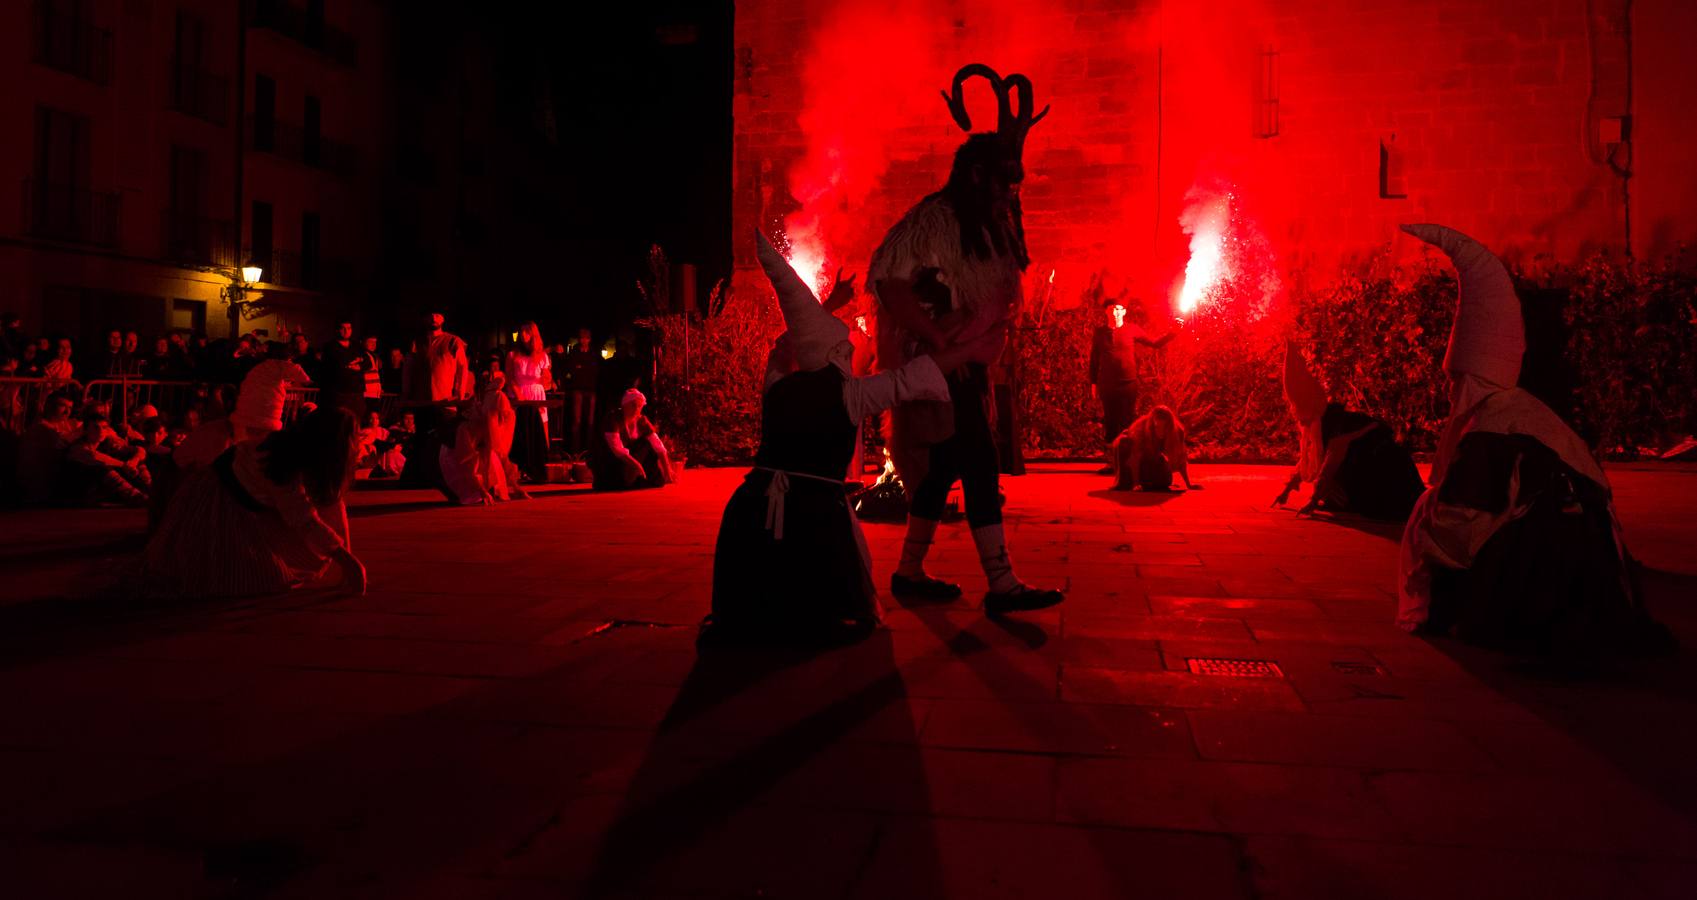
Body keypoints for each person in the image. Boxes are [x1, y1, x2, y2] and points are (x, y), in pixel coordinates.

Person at [703, 232, 1009, 645]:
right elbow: (912, 377)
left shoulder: (775, 384)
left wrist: (828, 306)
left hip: (752, 510)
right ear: (834, 357)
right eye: (843, 348)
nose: (850, 351)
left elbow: (787, 343)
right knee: (825, 611)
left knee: (757, 605)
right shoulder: (850, 394)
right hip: (813, 517)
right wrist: (971, 350)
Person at [1396, 224, 1671, 658]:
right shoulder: (1533, 414)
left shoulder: (1490, 429)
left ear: (1471, 378)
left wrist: (1423, 524)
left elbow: (1461, 529)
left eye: (1456, 380)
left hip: (1541, 579)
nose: (1451, 391)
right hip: (1593, 573)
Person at [867, 63, 1061, 614]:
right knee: (976, 462)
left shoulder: (985, 222)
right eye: (1004, 183)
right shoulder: (933, 221)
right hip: (941, 368)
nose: (1010, 194)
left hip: (967, 367)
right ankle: (1001, 584)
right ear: (978, 176)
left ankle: (908, 571)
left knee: (946, 467)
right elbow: (888, 280)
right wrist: (938, 342)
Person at [145, 406, 365, 598]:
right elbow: (304, 519)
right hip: (218, 504)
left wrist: (348, 557)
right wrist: (347, 561)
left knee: (294, 554)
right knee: (260, 577)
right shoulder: (282, 461)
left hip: (248, 503)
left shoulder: (298, 452)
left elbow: (334, 503)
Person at [1273, 342, 1424, 520]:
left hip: (1386, 474)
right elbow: (1308, 459)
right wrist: (1287, 489)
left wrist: (1314, 500)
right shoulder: (1316, 423)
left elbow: (1329, 466)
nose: (1299, 420)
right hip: (1368, 466)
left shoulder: (1335, 425)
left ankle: (1359, 500)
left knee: (1341, 479)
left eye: (1300, 413)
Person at [1088, 296, 1175, 473]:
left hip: (1128, 384)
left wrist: (1173, 332)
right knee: (1111, 422)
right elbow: (1094, 358)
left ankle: (1127, 462)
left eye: (1119, 309)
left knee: (1127, 423)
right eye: (1112, 309)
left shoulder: (1131, 330)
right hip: (1107, 384)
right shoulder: (1100, 333)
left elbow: (1154, 343)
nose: (1115, 312)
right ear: (1106, 311)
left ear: (1124, 312)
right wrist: (1093, 383)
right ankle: (1112, 463)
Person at [403, 312, 472, 434]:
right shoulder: (417, 343)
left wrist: (459, 393)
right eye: (430, 315)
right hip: (422, 403)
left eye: (437, 315)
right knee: (424, 441)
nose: (434, 318)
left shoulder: (453, 341)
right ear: (425, 319)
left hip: (445, 402)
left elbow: (462, 367)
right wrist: (406, 393)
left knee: (444, 443)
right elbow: (408, 369)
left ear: (443, 319)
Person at [590, 388, 671, 491]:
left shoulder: (642, 421)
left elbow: (659, 447)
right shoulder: (614, 419)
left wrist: (668, 472)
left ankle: (636, 479)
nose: (636, 409)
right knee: (621, 482)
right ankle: (622, 479)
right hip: (613, 459)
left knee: (648, 446)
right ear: (625, 405)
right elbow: (617, 450)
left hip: (630, 458)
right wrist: (637, 465)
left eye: (639, 406)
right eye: (633, 405)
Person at [230, 343, 314, 442]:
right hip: (266, 413)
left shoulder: (260, 367)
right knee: (262, 445)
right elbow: (305, 379)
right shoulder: (282, 365)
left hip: (244, 411)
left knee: (241, 444)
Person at [63, 413, 150, 505]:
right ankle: (135, 496)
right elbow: (95, 457)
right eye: (96, 427)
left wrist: (133, 461)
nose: (100, 431)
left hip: (100, 487)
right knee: (101, 468)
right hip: (79, 490)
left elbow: (140, 450)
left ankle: (150, 489)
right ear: (85, 430)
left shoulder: (106, 444)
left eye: (104, 427)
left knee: (133, 457)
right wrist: (124, 465)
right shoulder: (77, 447)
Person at [1111, 405, 1199, 492]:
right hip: (1134, 454)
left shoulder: (1177, 432)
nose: (1160, 431)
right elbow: (1134, 458)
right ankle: (1128, 480)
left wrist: (1188, 484)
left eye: (1164, 427)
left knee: (1163, 482)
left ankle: (1146, 480)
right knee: (1123, 441)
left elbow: (1180, 459)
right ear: (1153, 424)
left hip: (1152, 457)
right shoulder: (1141, 429)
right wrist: (1136, 484)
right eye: (1157, 427)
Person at [504, 320, 553, 460]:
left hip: (537, 391)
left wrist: (547, 376)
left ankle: (542, 459)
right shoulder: (512, 355)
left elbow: (546, 381)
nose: (523, 334)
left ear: (533, 334)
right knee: (519, 428)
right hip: (519, 391)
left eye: (526, 332)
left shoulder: (542, 356)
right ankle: (520, 461)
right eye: (522, 332)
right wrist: (518, 395)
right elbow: (510, 378)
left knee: (541, 425)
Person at [15, 393, 77, 503]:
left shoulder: (63, 424)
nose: (67, 412)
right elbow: (67, 448)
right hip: (39, 484)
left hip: (51, 480)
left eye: (70, 408)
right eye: (62, 406)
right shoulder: (41, 427)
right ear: (49, 406)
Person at [563, 328, 600, 453]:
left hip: (590, 389)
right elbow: (570, 369)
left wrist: (580, 368)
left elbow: (594, 369)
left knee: (590, 422)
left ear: (589, 339)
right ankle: (576, 451)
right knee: (576, 421)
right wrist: (579, 369)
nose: (583, 340)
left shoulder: (593, 353)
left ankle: (588, 451)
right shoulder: (574, 353)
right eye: (581, 338)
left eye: (585, 338)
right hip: (577, 389)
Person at [319, 321, 366, 418]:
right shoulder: (330, 346)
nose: (346, 331)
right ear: (338, 330)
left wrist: (360, 366)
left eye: (349, 328)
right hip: (338, 392)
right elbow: (332, 365)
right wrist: (352, 362)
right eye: (343, 328)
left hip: (356, 391)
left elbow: (367, 362)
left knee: (356, 419)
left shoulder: (357, 345)